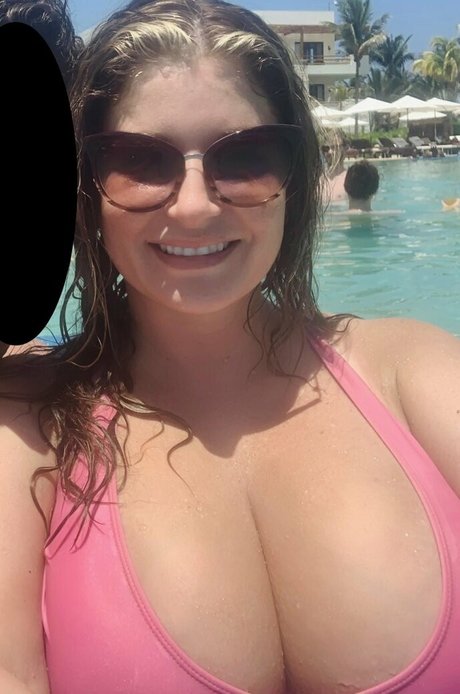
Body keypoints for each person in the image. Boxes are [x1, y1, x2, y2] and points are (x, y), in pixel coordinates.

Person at [1, 1, 459, 693]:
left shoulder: (418, 374)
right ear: (85, 189)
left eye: (245, 156)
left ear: (294, 174)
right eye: (138, 161)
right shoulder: (27, 428)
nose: (194, 206)